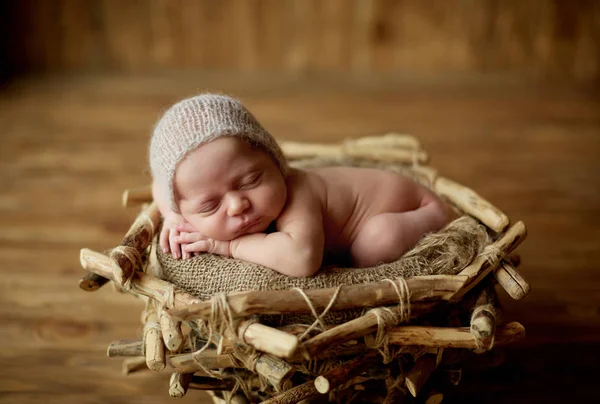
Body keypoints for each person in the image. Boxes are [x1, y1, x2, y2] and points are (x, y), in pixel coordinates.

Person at [149, 94, 455, 277]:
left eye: (251, 180)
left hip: (414, 209)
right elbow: (159, 187)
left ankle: (443, 215)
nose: (237, 205)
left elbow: (303, 259)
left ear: (275, 161)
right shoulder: (182, 199)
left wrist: (228, 245)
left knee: (374, 243)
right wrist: (173, 218)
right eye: (209, 205)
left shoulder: (297, 194)